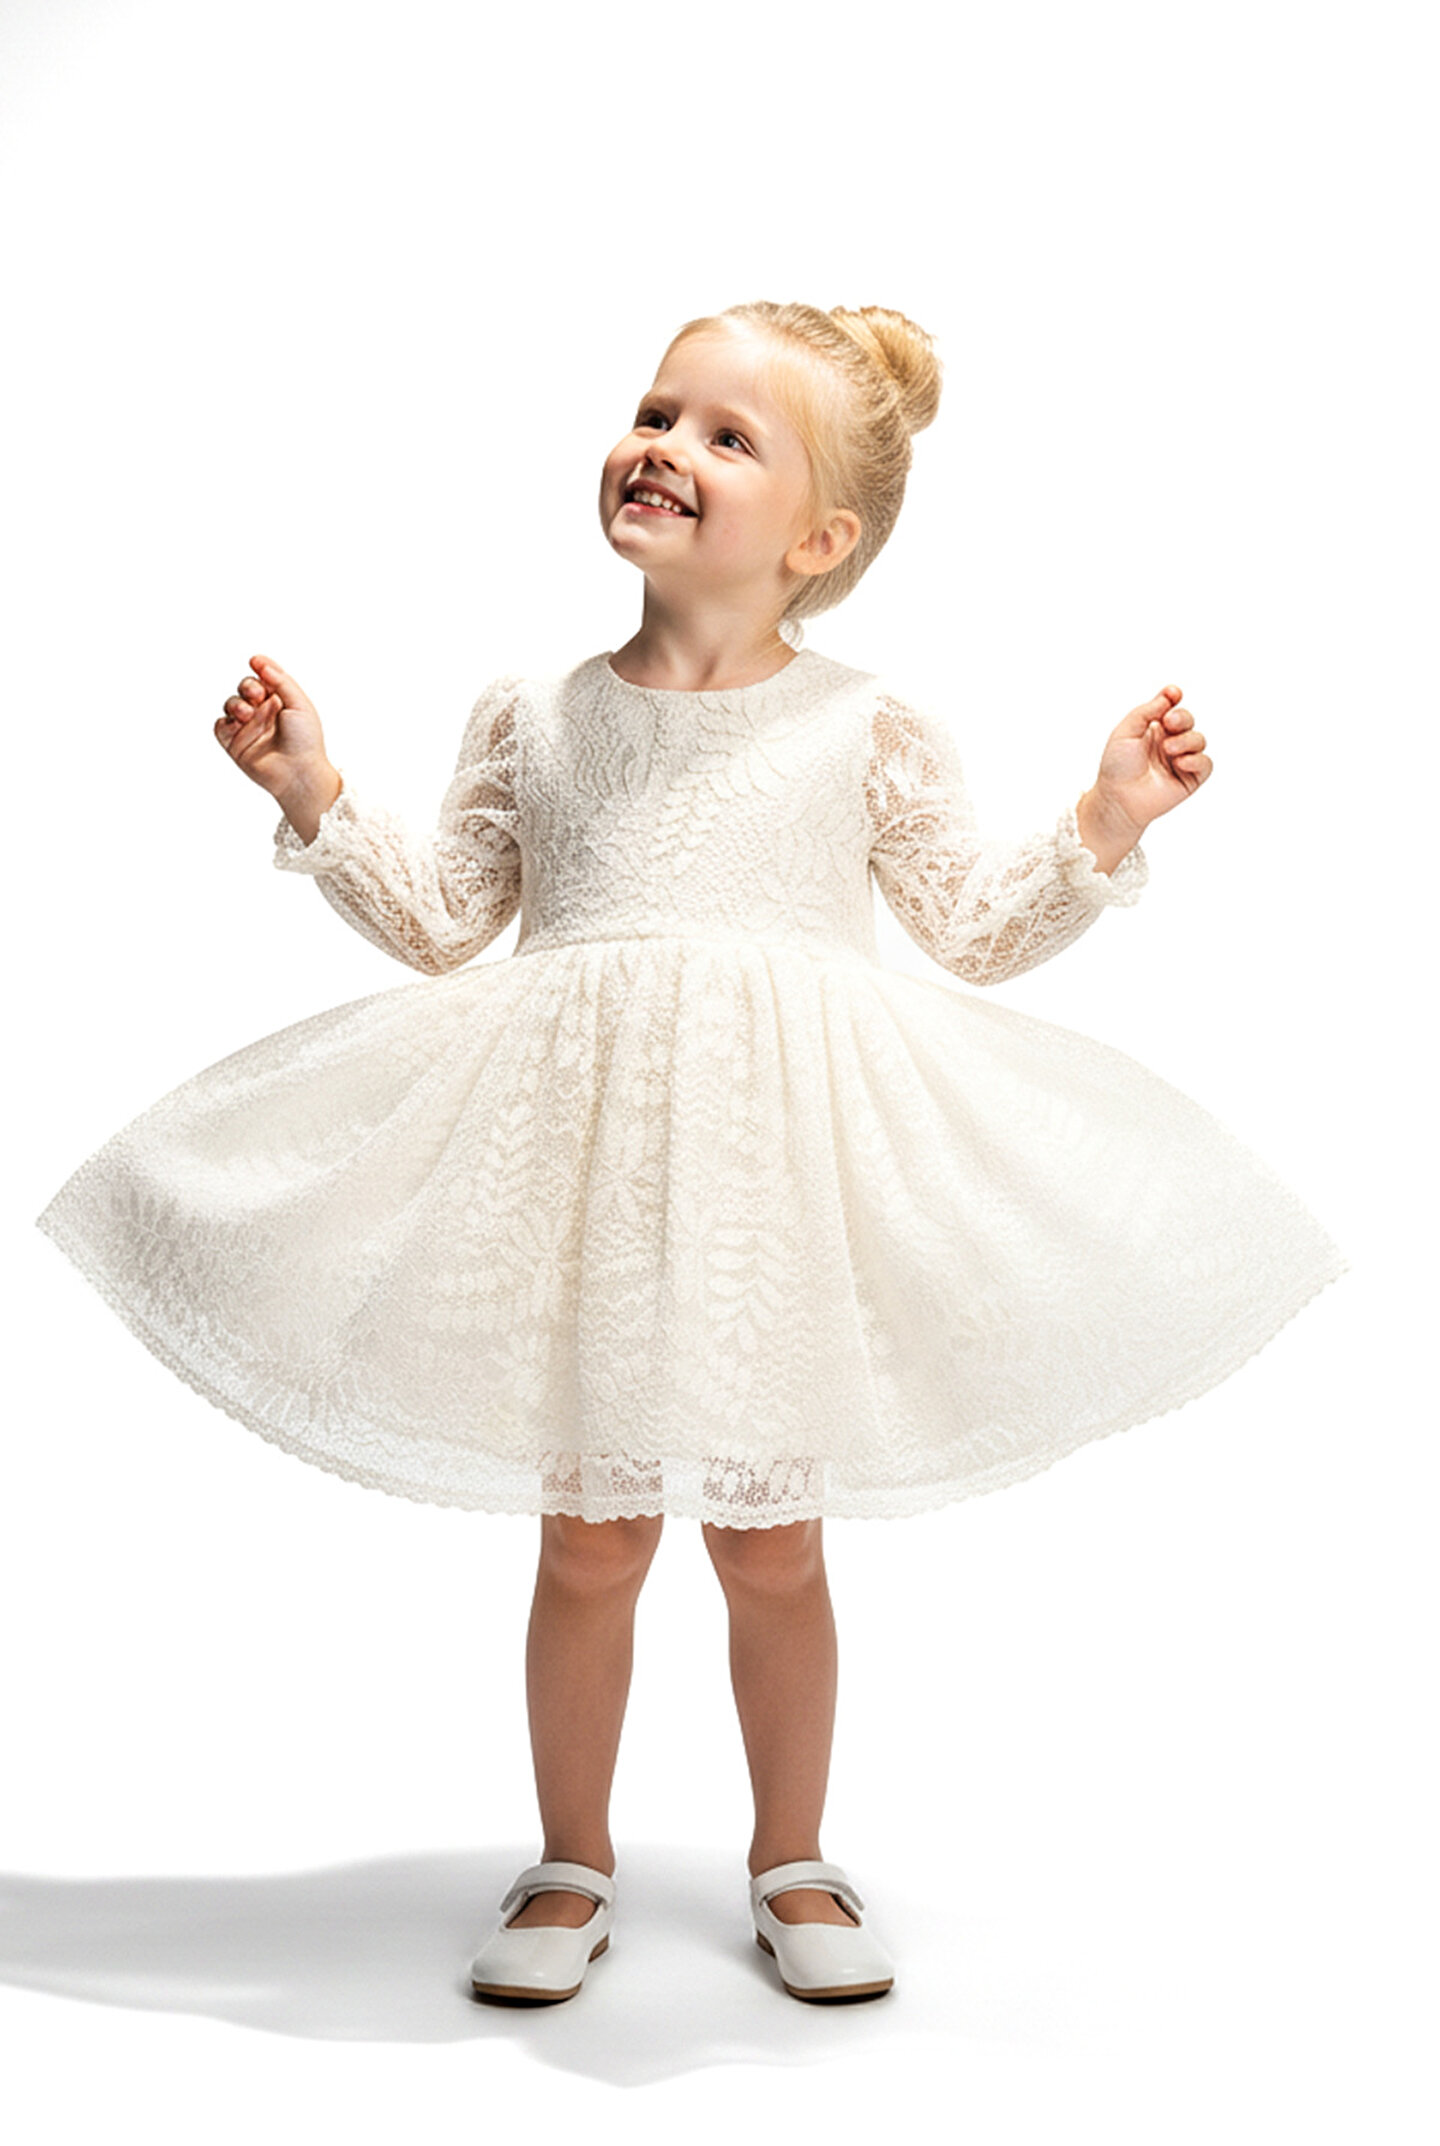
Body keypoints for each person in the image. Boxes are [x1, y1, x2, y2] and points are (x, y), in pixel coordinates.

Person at [34, 299, 1348, 2008]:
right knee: (590, 1537)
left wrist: (1104, 820)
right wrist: (313, 790)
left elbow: (970, 929)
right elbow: (446, 923)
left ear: (818, 539)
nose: (665, 445)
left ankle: (792, 1856)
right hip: (580, 1183)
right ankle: (570, 1857)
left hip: (770, 1192)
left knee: (769, 1540)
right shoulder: (536, 712)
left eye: (728, 435)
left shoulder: (863, 723)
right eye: (658, 411)